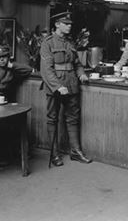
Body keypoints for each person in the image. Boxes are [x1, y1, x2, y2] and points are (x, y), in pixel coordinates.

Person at [40, 12, 91, 167]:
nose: (69, 26)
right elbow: (46, 70)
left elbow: (77, 64)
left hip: (72, 85)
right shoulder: (47, 43)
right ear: (57, 24)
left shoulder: (70, 42)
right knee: (52, 119)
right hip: (56, 87)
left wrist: (81, 74)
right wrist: (58, 87)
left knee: (72, 119)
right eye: (66, 23)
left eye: (70, 23)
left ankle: (75, 152)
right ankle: (54, 154)